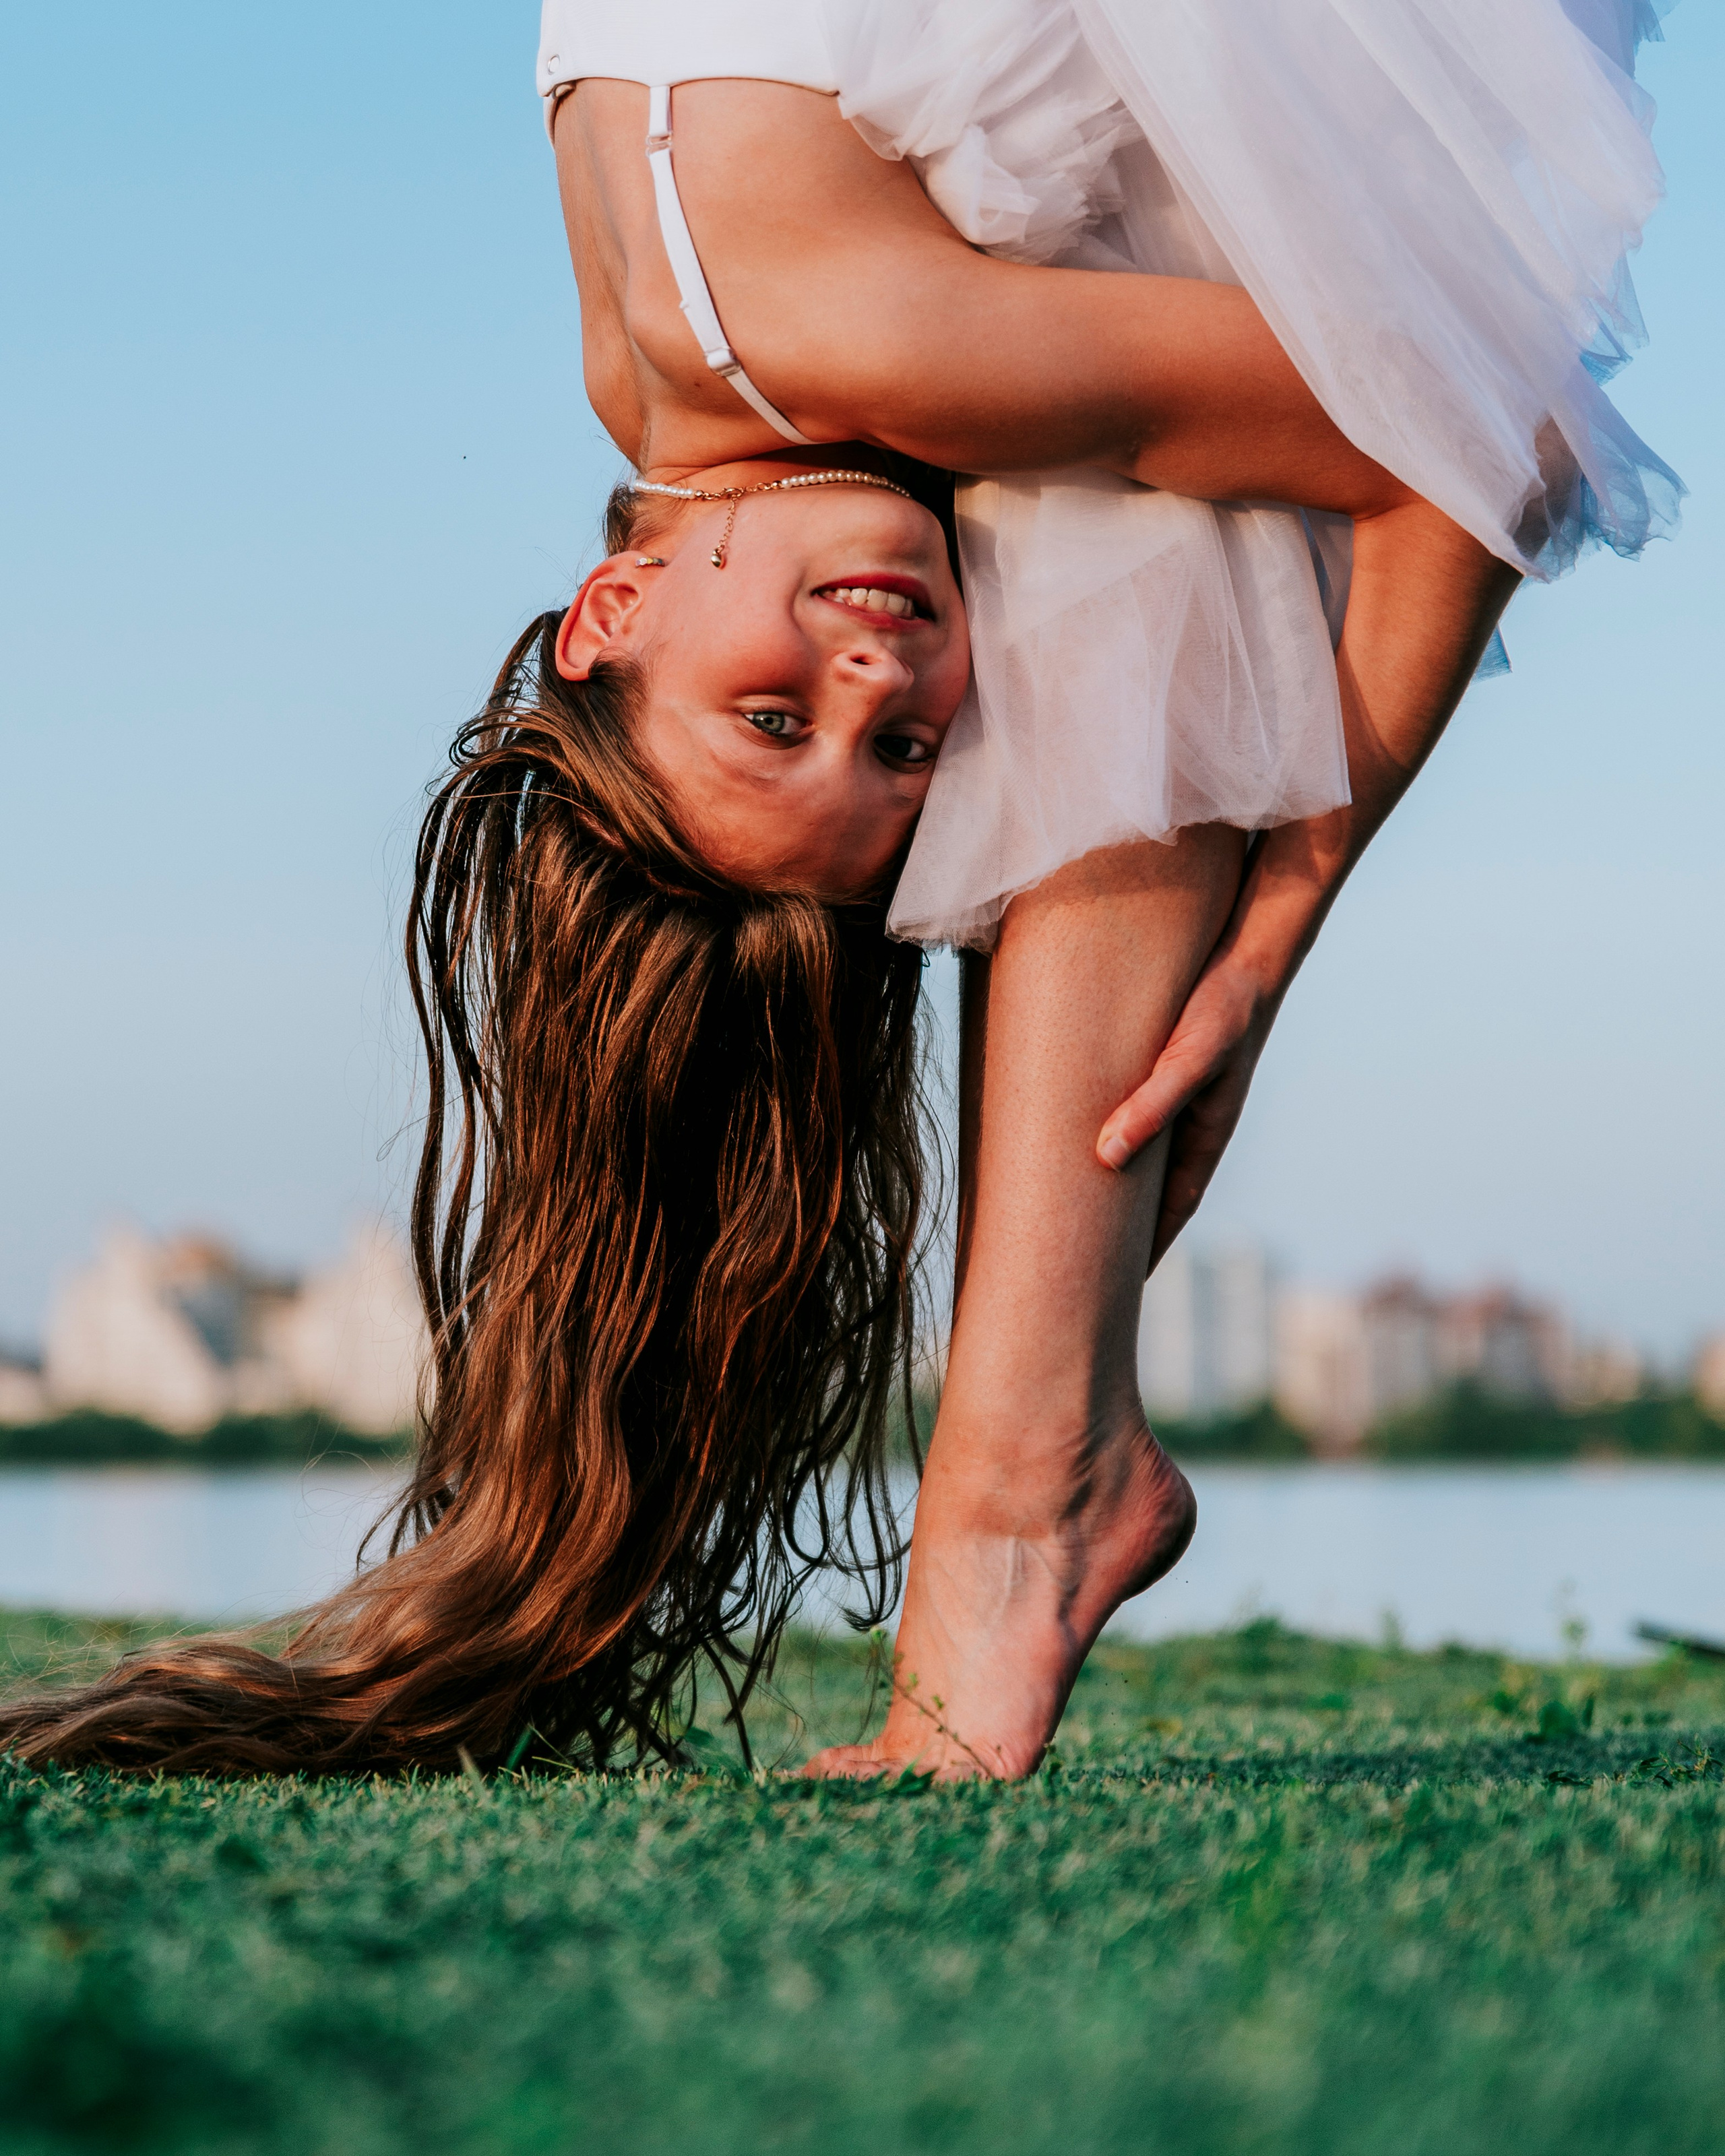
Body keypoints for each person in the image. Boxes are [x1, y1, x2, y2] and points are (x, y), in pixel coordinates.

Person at [0, 0, 1676, 1778]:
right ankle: (1028, 1472)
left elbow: (1500, 436)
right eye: (908, 758)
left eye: (773, 720)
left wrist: (1277, 920)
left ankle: (1032, 1476)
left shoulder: (846, 342)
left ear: (609, 611)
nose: (883, 682)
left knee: (1104, 512)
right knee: (1089, 480)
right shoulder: (670, 357)